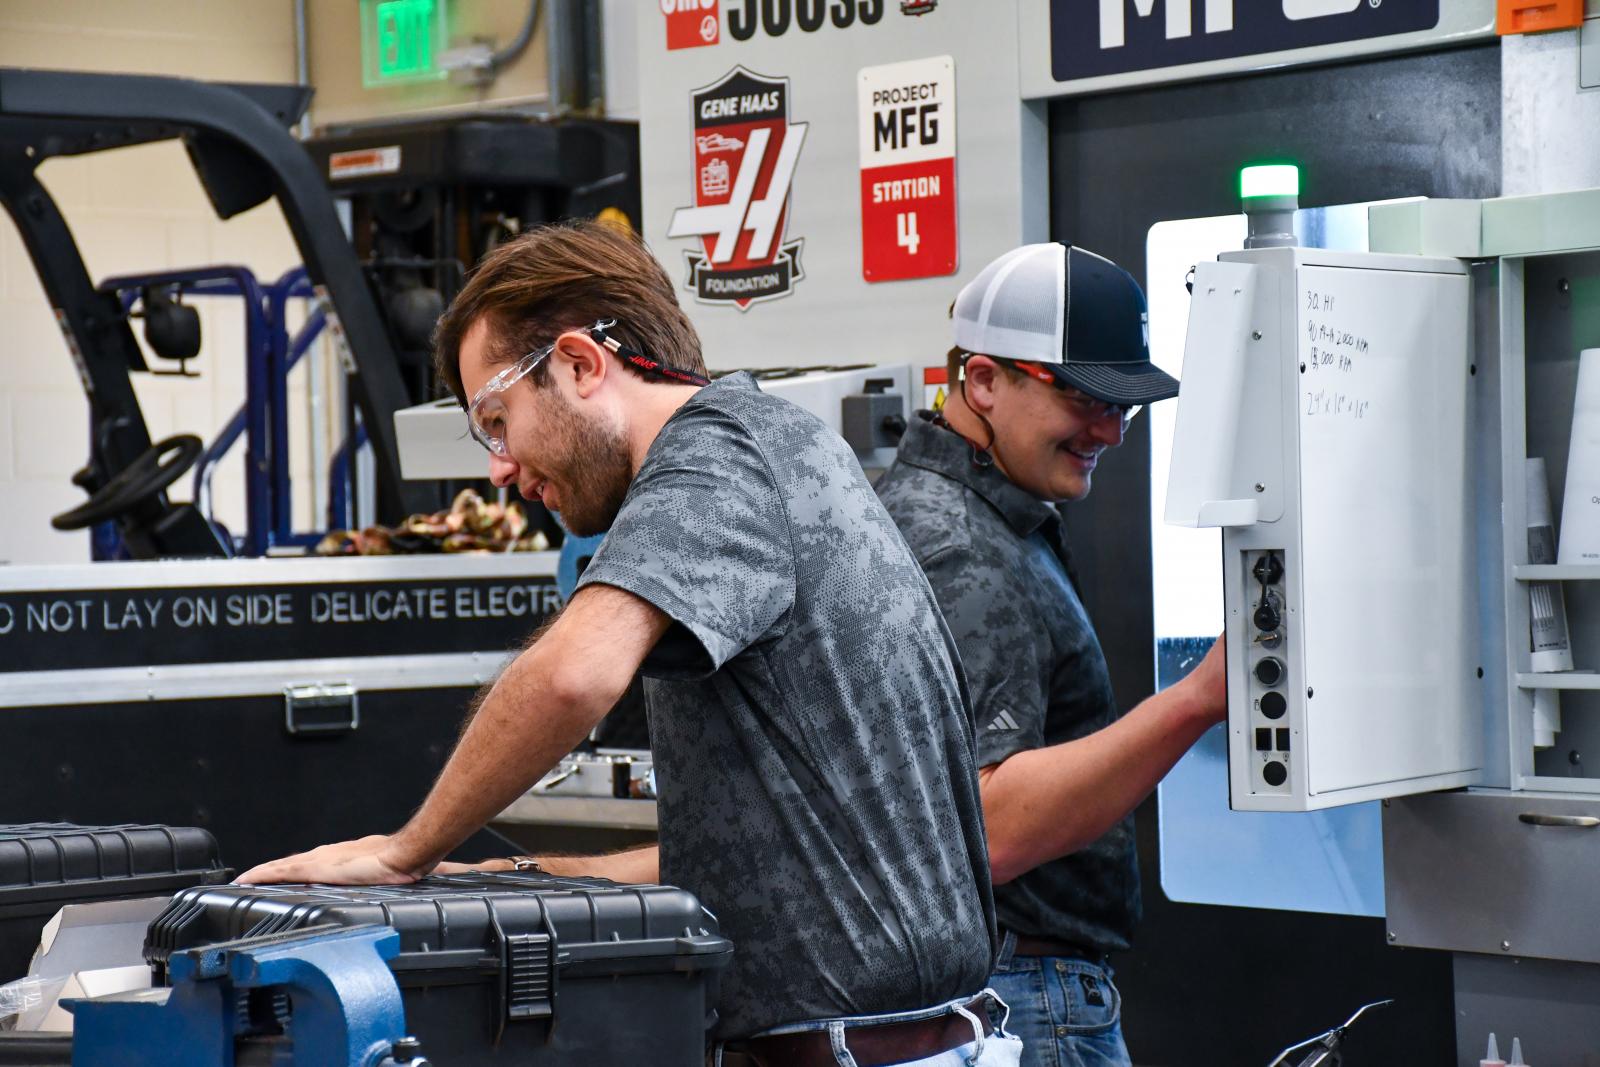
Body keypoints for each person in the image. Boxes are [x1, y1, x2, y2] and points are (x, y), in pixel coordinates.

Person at [239, 220, 1022, 1067]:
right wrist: (501, 880)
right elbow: (759, 863)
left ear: (579, 364)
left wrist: (404, 852)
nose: (499, 469)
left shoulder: (717, 452)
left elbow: (573, 675)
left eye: (498, 419)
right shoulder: (772, 447)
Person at [875, 243, 1228, 1067]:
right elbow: (993, 822)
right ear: (985, 381)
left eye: (1124, 407)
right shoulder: (960, 543)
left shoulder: (957, 514)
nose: (1109, 430)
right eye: (1081, 396)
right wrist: (1199, 697)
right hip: (1025, 994)